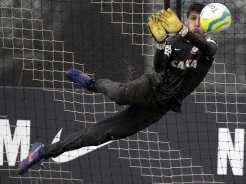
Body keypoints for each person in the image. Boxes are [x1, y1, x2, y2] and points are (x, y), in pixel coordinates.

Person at [17, 3, 217, 175]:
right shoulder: (173, 42)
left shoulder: (208, 45)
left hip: (157, 108)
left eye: (201, 20)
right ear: (186, 19)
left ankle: (41, 151)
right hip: (151, 87)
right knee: (120, 95)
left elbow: (207, 49)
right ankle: (92, 83)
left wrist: (182, 30)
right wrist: (160, 43)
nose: (197, 23)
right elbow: (159, 67)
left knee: (97, 136)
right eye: (193, 19)